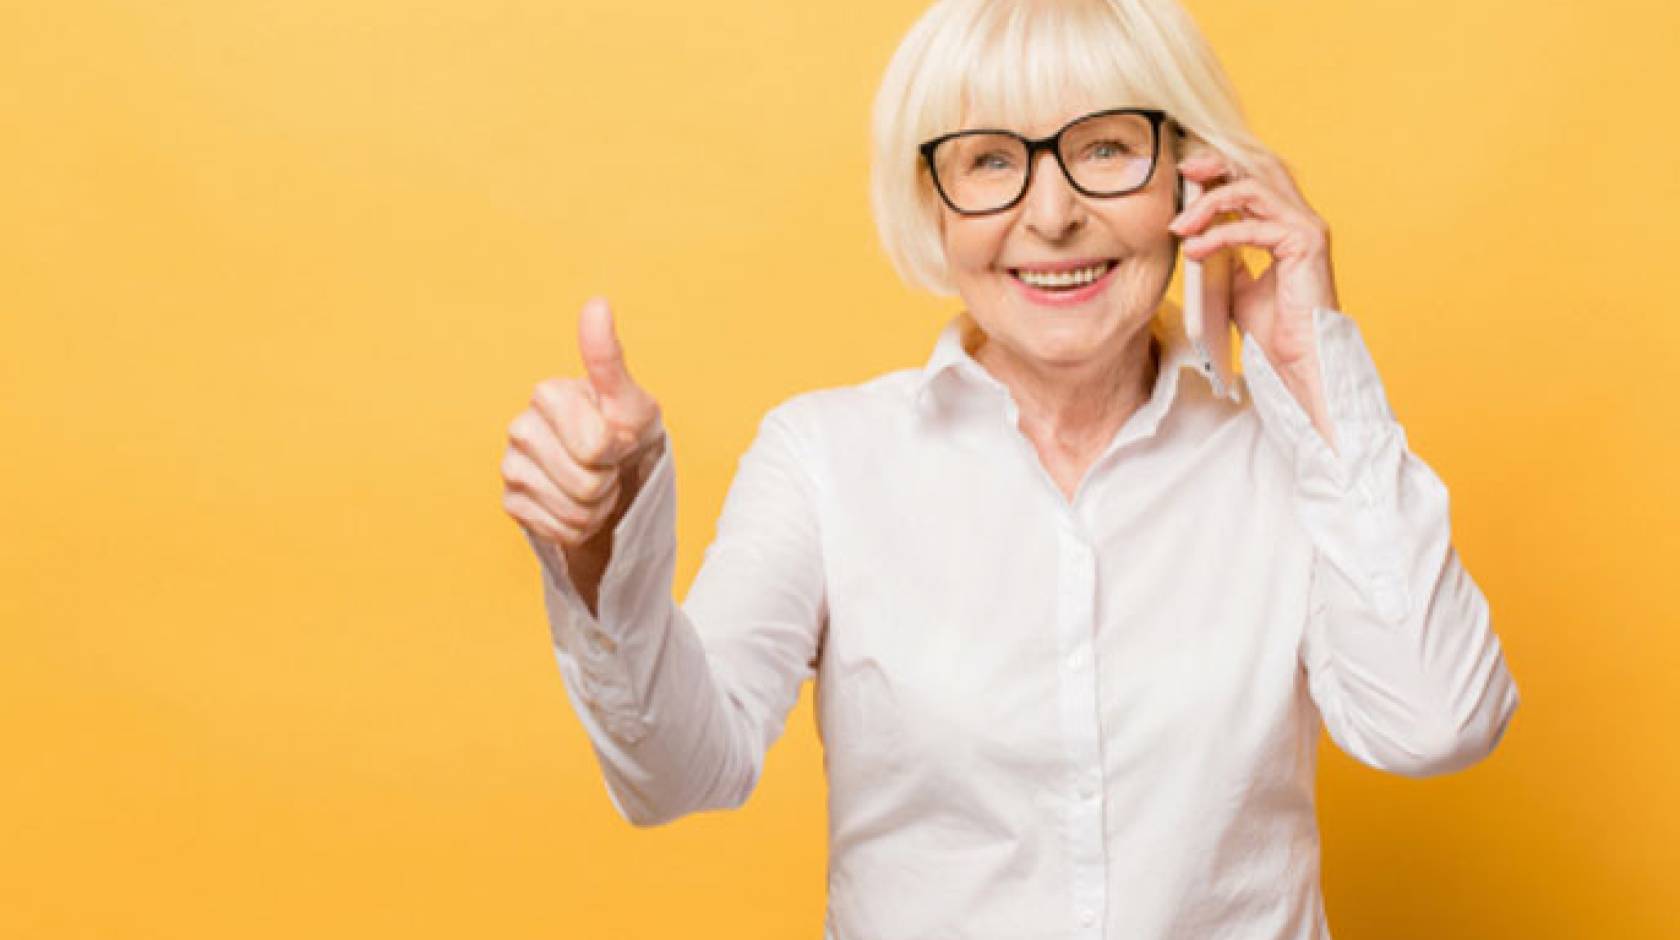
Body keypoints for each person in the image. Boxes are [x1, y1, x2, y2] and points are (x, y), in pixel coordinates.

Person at [497, 0, 1520, 936]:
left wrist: (1314, 367)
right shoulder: (826, 458)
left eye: (1108, 147)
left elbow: (1436, 723)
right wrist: (601, 553)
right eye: (991, 161)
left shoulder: (1289, 460)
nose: (1052, 214)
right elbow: (680, 769)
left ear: (1193, 175)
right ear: (931, 201)